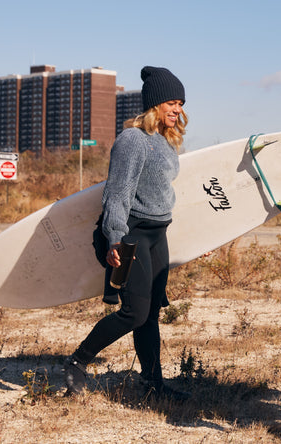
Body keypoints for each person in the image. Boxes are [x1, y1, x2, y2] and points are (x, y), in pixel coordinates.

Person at [63, 66, 188, 401]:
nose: (178, 109)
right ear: (154, 104)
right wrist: (116, 238)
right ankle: (77, 361)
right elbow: (116, 194)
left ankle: (153, 385)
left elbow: (165, 193)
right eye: (171, 103)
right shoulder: (133, 140)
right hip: (131, 234)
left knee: (150, 314)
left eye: (181, 103)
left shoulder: (165, 141)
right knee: (134, 312)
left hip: (157, 234)